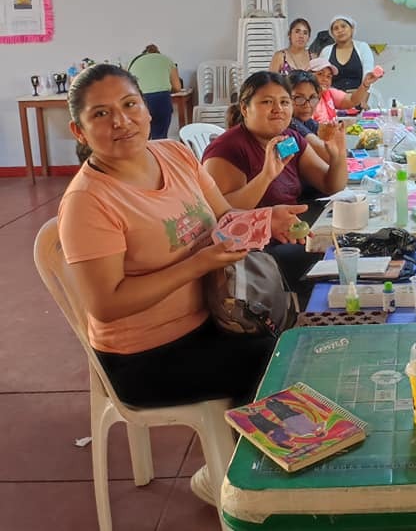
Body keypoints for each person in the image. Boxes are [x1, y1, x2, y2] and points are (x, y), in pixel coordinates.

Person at [58, 64, 307, 505]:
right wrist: (199, 263)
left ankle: (249, 462)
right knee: (273, 360)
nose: (121, 121)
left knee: (293, 319)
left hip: (210, 314)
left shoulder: (175, 155)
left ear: (148, 109)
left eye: (129, 104)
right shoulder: (88, 202)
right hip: (145, 355)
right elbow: (106, 304)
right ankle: (240, 485)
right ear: (79, 131)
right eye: (101, 114)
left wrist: (267, 219)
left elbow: (224, 217)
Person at [201, 71, 347, 295]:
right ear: (244, 108)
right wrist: (266, 176)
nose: (278, 109)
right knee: (334, 256)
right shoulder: (228, 149)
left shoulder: (288, 139)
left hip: (290, 233)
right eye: (267, 102)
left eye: (284, 102)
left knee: (350, 241)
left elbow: (331, 185)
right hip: (254, 251)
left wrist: (337, 156)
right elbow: (223, 215)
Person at [126, 43, 181, 139]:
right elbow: (177, 87)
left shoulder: (133, 62)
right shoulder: (166, 60)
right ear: (158, 53)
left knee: (142, 137)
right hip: (161, 100)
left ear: (144, 53)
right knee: (160, 137)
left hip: (139, 100)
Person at [308, 58, 380, 124]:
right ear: (308, 75)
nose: (325, 79)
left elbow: (352, 100)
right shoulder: (305, 101)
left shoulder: (329, 93)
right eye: (320, 74)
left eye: (329, 76)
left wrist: (365, 84)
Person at [315, 15, 375, 92]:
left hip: (358, 95)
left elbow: (368, 75)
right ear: (332, 34)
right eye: (336, 28)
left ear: (352, 29)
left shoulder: (363, 47)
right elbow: (320, 78)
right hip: (332, 96)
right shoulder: (326, 51)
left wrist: (363, 97)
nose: (340, 30)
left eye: (343, 26)